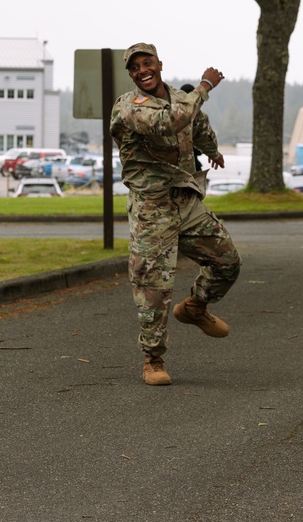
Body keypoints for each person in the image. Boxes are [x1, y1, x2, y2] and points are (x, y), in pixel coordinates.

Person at [110, 42, 241, 386]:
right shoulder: (130, 107)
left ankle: (196, 306)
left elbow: (195, 125)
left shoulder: (178, 98)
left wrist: (212, 150)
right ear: (131, 75)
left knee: (228, 262)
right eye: (135, 67)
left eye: (147, 62)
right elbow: (171, 122)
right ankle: (153, 360)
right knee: (153, 285)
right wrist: (205, 87)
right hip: (152, 208)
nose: (142, 70)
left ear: (159, 64)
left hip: (186, 201)